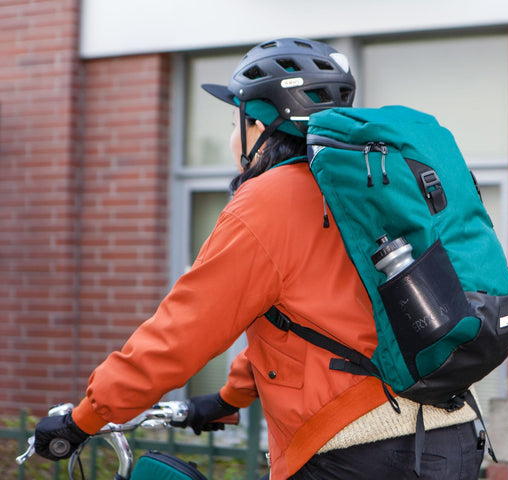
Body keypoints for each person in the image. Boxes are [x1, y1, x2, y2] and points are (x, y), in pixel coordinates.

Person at [34, 37, 485, 479]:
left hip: (356, 449)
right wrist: (229, 398)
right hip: (453, 435)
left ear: (260, 126)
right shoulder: (363, 191)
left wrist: (85, 418)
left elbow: (184, 330)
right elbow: (310, 326)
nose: (233, 136)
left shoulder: (268, 202)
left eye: (235, 121)